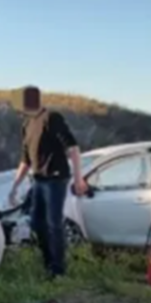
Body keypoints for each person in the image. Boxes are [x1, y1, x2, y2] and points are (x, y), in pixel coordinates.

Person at [8, 86, 88, 278]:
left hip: (56, 178)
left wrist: (78, 178)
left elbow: (73, 148)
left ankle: (58, 270)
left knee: (54, 222)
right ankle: (48, 262)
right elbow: (25, 160)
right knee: (36, 222)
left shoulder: (52, 118)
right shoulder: (26, 125)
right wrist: (14, 186)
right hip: (38, 179)